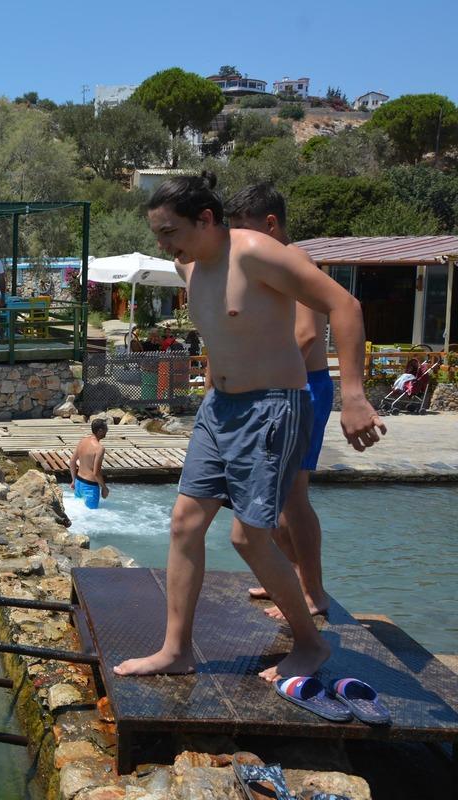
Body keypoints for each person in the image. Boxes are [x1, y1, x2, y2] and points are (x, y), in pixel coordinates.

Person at [113, 173, 385, 682]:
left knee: (249, 539)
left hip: (271, 409)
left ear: (206, 219)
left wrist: (353, 396)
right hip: (218, 410)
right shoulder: (188, 267)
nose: (162, 244)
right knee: (184, 525)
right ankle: (177, 649)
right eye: (157, 233)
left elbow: (344, 305)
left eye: (169, 231)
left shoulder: (257, 251)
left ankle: (310, 643)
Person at [227, 182, 334, 619]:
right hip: (280, 387)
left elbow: (307, 334)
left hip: (303, 387)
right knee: (273, 493)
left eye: (244, 231)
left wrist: (267, 381)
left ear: (270, 224)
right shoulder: (269, 266)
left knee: (293, 495)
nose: (239, 243)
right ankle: (289, 579)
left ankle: (313, 592)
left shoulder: (296, 260)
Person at [69, 419, 110, 509]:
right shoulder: (99, 449)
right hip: (90, 487)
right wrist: (104, 488)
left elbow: (72, 461)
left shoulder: (83, 441)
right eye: (106, 428)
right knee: (91, 517)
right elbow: (96, 473)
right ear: (100, 430)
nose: (107, 430)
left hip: (78, 483)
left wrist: (73, 480)